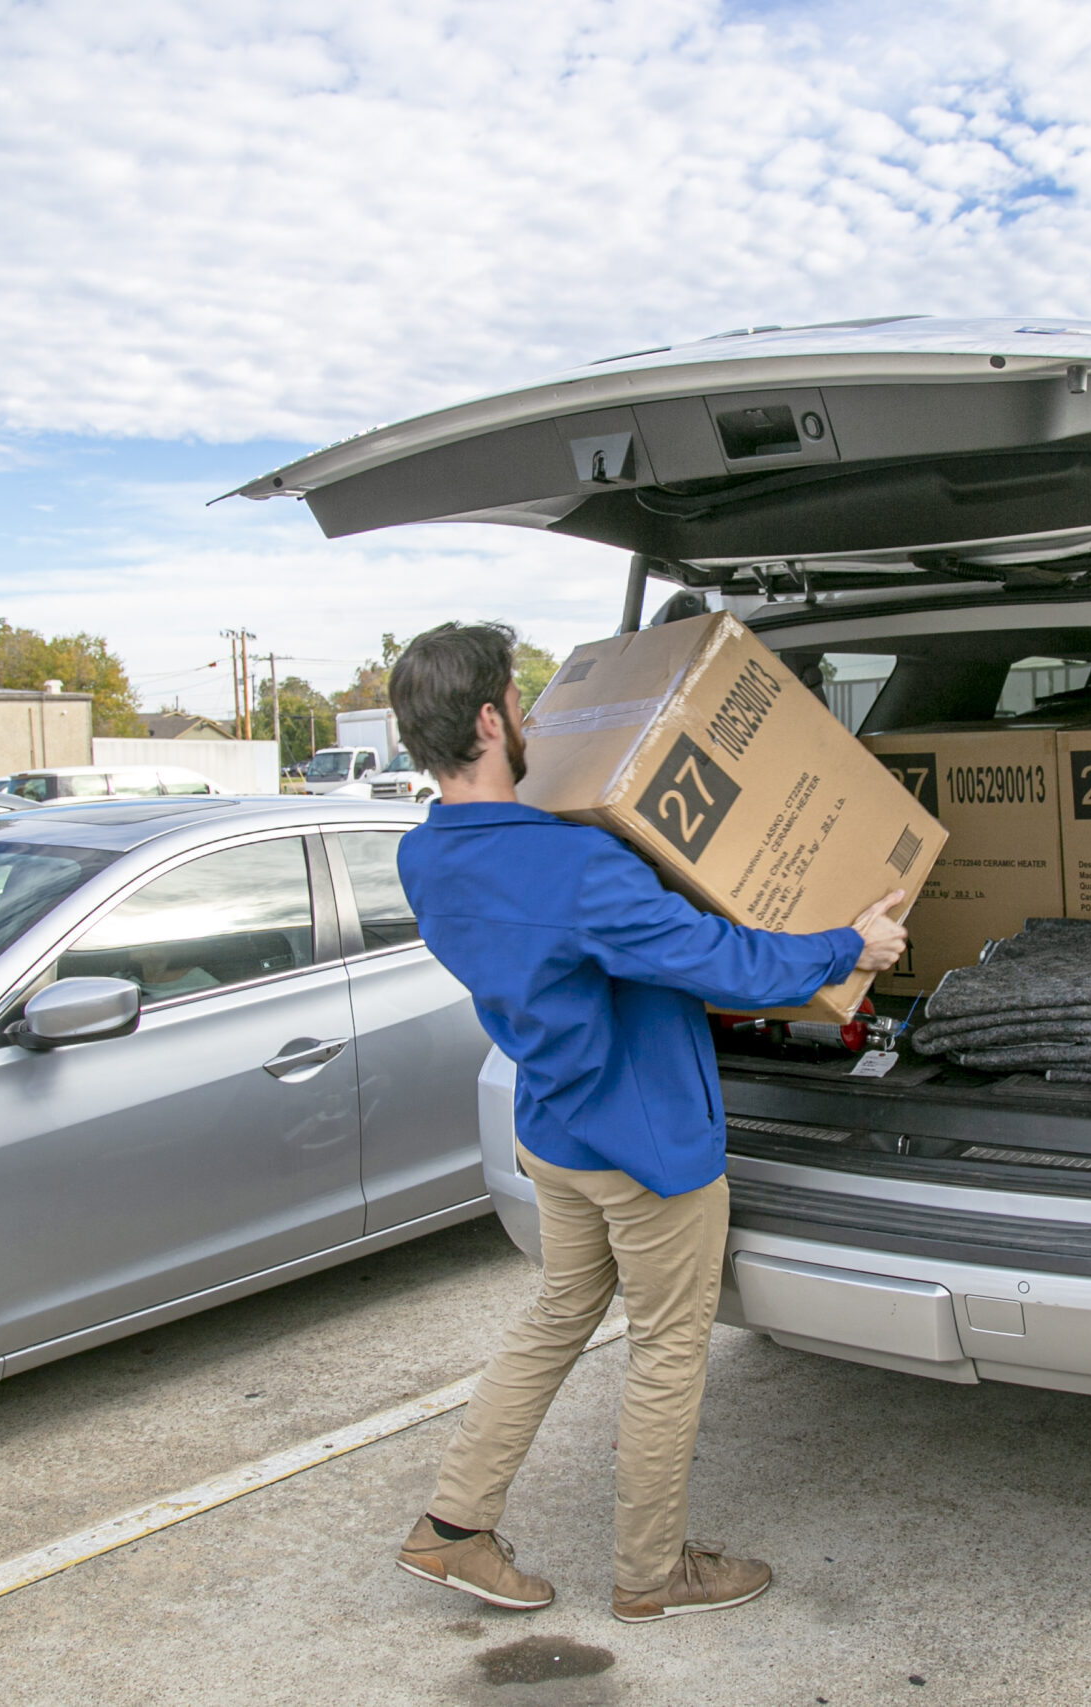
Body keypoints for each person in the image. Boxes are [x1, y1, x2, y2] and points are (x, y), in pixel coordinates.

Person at [385, 620, 907, 1624]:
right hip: (642, 1144)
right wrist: (853, 944)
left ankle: (451, 1530)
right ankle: (651, 1570)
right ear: (492, 720)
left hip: (556, 1131)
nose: (534, 715)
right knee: (668, 1348)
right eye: (520, 700)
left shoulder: (425, 860)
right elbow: (725, 963)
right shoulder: (574, 867)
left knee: (555, 1317)